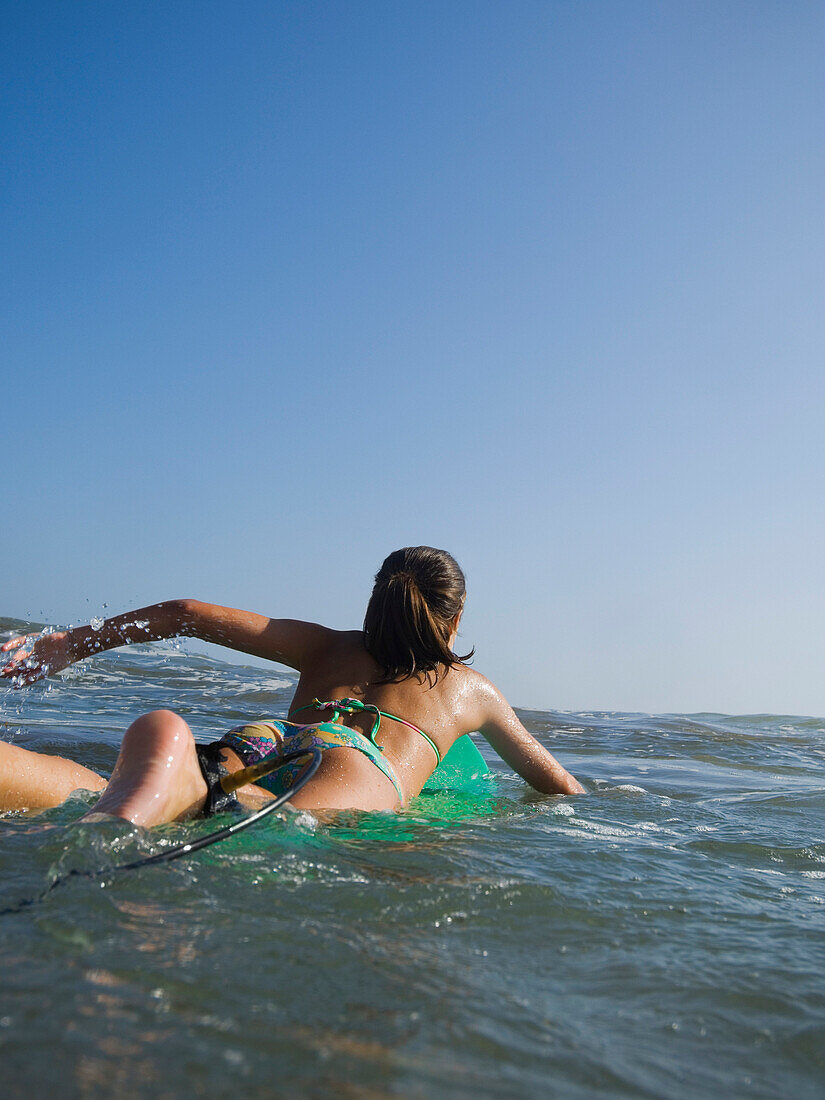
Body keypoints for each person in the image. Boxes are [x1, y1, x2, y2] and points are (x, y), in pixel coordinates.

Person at [0, 547, 584, 824]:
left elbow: (186, 612)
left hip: (268, 737)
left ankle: (162, 765)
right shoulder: (469, 689)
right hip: (359, 766)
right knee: (250, 819)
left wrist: (65, 645)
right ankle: (174, 792)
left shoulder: (325, 645)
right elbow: (558, 786)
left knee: (125, 787)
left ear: (375, 601)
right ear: (453, 620)